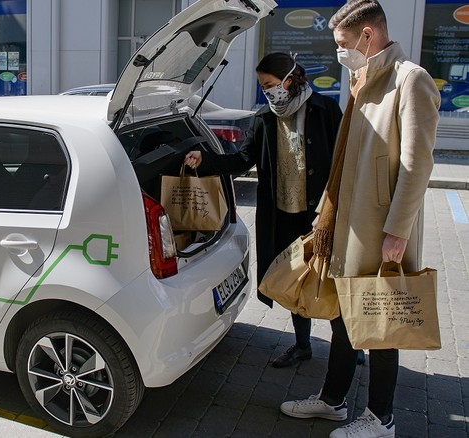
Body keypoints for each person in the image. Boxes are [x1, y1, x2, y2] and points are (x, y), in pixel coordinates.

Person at [279, 1, 440, 437]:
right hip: (347, 225)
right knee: (344, 316)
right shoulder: (363, 78)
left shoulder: (410, 80)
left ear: (367, 35)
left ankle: (381, 419)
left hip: (379, 230)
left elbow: (416, 165)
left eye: (343, 43)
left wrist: (397, 232)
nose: (340, 51)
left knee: (380, 322)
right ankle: (333, 400)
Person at [184, 52, 343, 368]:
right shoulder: (264, 118)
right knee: (295, 280)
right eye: (263, 86)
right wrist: (207, 160)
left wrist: (336, 209)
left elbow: (343, 162)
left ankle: (347, 345)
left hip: (321, 216)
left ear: (290, 80)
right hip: (283, 216)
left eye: (270, 84)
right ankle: (302, 345)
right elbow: (243, 160)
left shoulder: (325, 110)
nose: (267, 91)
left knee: (333, 278)